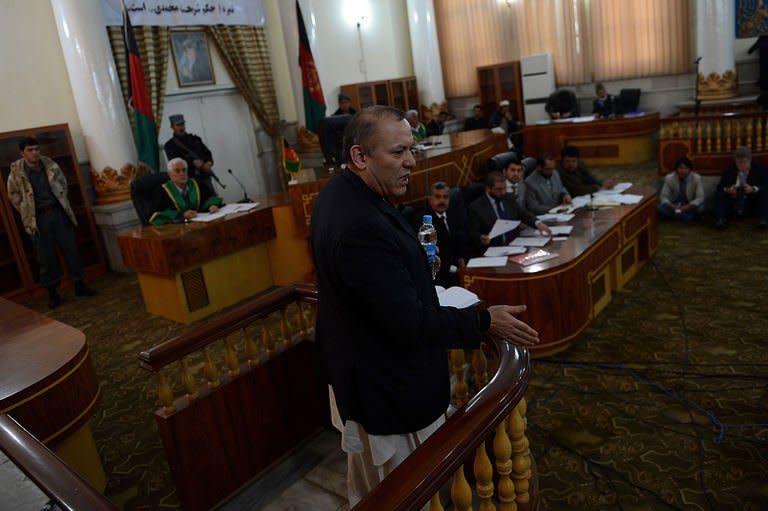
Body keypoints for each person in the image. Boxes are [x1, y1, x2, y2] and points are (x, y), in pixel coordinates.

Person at [310, 106, 539, 507]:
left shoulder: (340, 192)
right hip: (386, 390)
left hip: (369, 373)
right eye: (398, 153)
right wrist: (484, 320)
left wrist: (411, 268)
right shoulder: (359, 225)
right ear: (360, 157)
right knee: (401, 493)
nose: (411, 162)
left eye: (411, 150)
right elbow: (408, 323)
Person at [6, 137, 96, 308]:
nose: (35, 153)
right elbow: (14, 196)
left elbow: (63, 183)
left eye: (37, 149)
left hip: (58, 213)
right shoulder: (17, 173)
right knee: (46, 257)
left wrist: (60, 201)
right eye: (30, 150)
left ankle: (79, 285)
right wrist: (27, 210)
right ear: (22, 153)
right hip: (38, 219)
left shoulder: (50, 165)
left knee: (71, 249)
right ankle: (53, 294)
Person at [468, 171, 551, 255]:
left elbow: (522, 213)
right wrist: (480, 238)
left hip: (516, 245)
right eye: (499, 189)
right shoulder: (476, 207)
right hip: (494, 250)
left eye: (505, 188)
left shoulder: (509, 197)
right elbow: (472, 233)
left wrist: (537, 223)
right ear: (488, 189)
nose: (503, 192)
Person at [149, 158, 223, 225]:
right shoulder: (161, 192)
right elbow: (158, 214)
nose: (182, 173)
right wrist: (182, 215)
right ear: (169, 174)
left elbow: (210, 198)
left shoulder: (197, 184)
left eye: (184, 170)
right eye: (177, 171)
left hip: (200, 224)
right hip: (178, 230)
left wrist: (212, 205)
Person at [420, 181, 468, 287]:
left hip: (458, 268)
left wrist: (461, 258)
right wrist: (455, 268)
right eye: (437, 197)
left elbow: (461, 240)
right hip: (438, 274)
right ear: (430, 199)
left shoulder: (453, 215)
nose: (442, 200)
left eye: (445, 197)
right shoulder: (424, 222)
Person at [714, 146, 768, 229]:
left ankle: (763, 220)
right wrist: (728, 190)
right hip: (733, 202)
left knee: (764, 194)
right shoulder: (729, 170)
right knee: (719, 194)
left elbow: (765, 186)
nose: (741, 165)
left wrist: (754, 189)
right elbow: (720, 187)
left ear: (750, 160)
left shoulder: (761, 169)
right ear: (735, 161)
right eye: (738, 162)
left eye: (744, 162)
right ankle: (720, 220)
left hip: (752, 202)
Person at [163, 114, 216, 195]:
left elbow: (207, 153)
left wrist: (208, 163)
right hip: (188, 181)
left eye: (182, 124)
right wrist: (192, 162)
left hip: (204, 178)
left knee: (213, 200)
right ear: (172, 127)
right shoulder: (170, 145)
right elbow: (174, 163)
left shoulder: (195, 139)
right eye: (178, 125)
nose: (181, 127)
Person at [658, 156, 706, 221]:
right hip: (675, 204)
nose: (683, 171)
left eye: (686, 168)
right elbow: (663, 196)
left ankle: (676, 216)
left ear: (689, 169)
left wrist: (686, 207)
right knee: (659, 207)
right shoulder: (669, 178)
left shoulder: (696, 178)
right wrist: (673, 207)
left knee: (701, 208)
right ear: (676, 169)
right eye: (680, 168)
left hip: (689, 204)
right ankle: (687, 217)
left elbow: (700, 197)